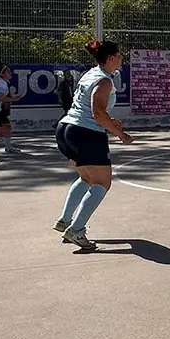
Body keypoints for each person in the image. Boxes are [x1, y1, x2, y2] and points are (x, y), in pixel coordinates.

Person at [53, 40, 133, 250]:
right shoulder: (104, 81)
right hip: (85, 133)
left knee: (87, 178)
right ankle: (77, 231)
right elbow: (97, 113)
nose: (122, 58)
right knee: (102, 183)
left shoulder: (91, 74)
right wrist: (120, 134)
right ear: (111, 58)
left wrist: (109, 121)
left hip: (66, 129)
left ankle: (65, 221)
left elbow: (91, 109)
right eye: (119, 55)